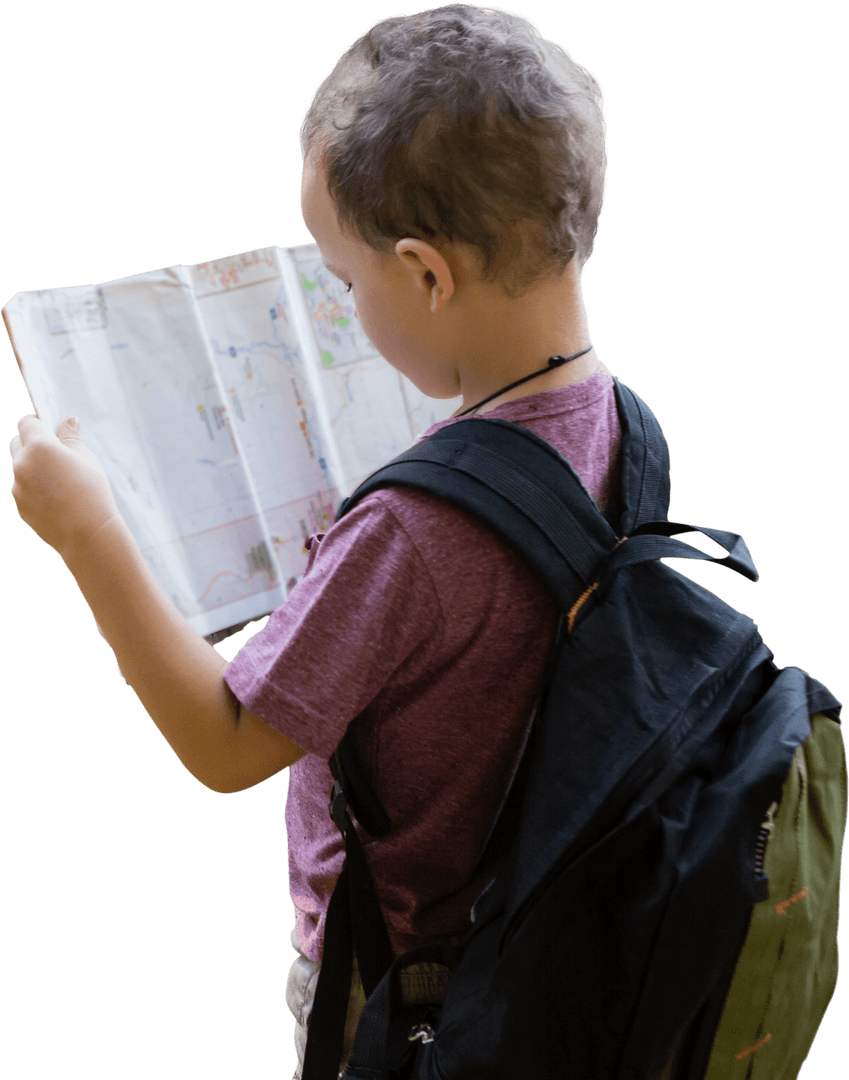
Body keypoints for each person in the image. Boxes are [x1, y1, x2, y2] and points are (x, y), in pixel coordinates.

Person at [9, 5, 616, 1077]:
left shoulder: (412, 531)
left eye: (342, 281)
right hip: (548, 948)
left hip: (396, 994)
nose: (332, 302)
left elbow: (227, 741)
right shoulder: (623, 422)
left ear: (429, 276)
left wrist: (89, 528)